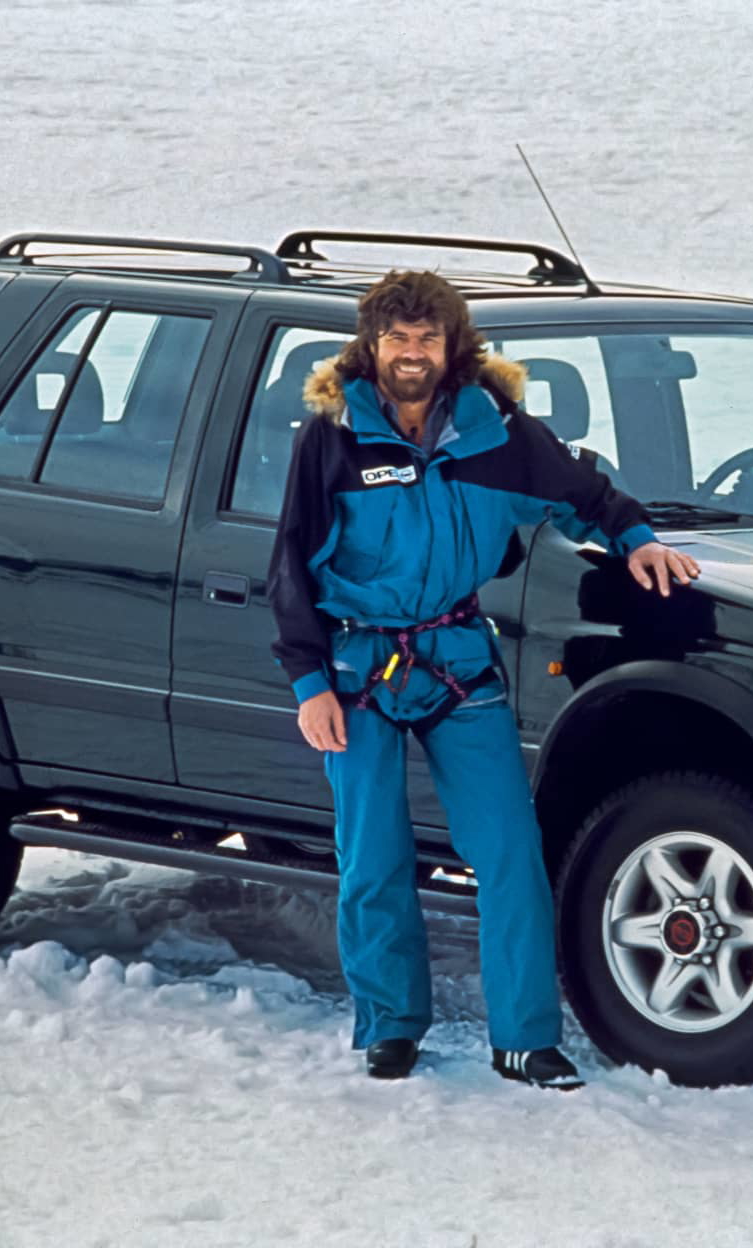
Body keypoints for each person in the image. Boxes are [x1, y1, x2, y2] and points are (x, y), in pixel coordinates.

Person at [266, 270, 700, 1089]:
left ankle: (526, 1039)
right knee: (373, 858)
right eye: (397, 339)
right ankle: (390, 1026)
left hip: (458, 661)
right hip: (357, 667)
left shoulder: (495, 429)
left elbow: (586, 495)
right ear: (371, 344)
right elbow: (289, 560)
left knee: (507, 852)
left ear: (452, 345)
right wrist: (308, 681)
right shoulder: (330, 435)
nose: (412, 354)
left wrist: (638, 538)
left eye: (428, 339)